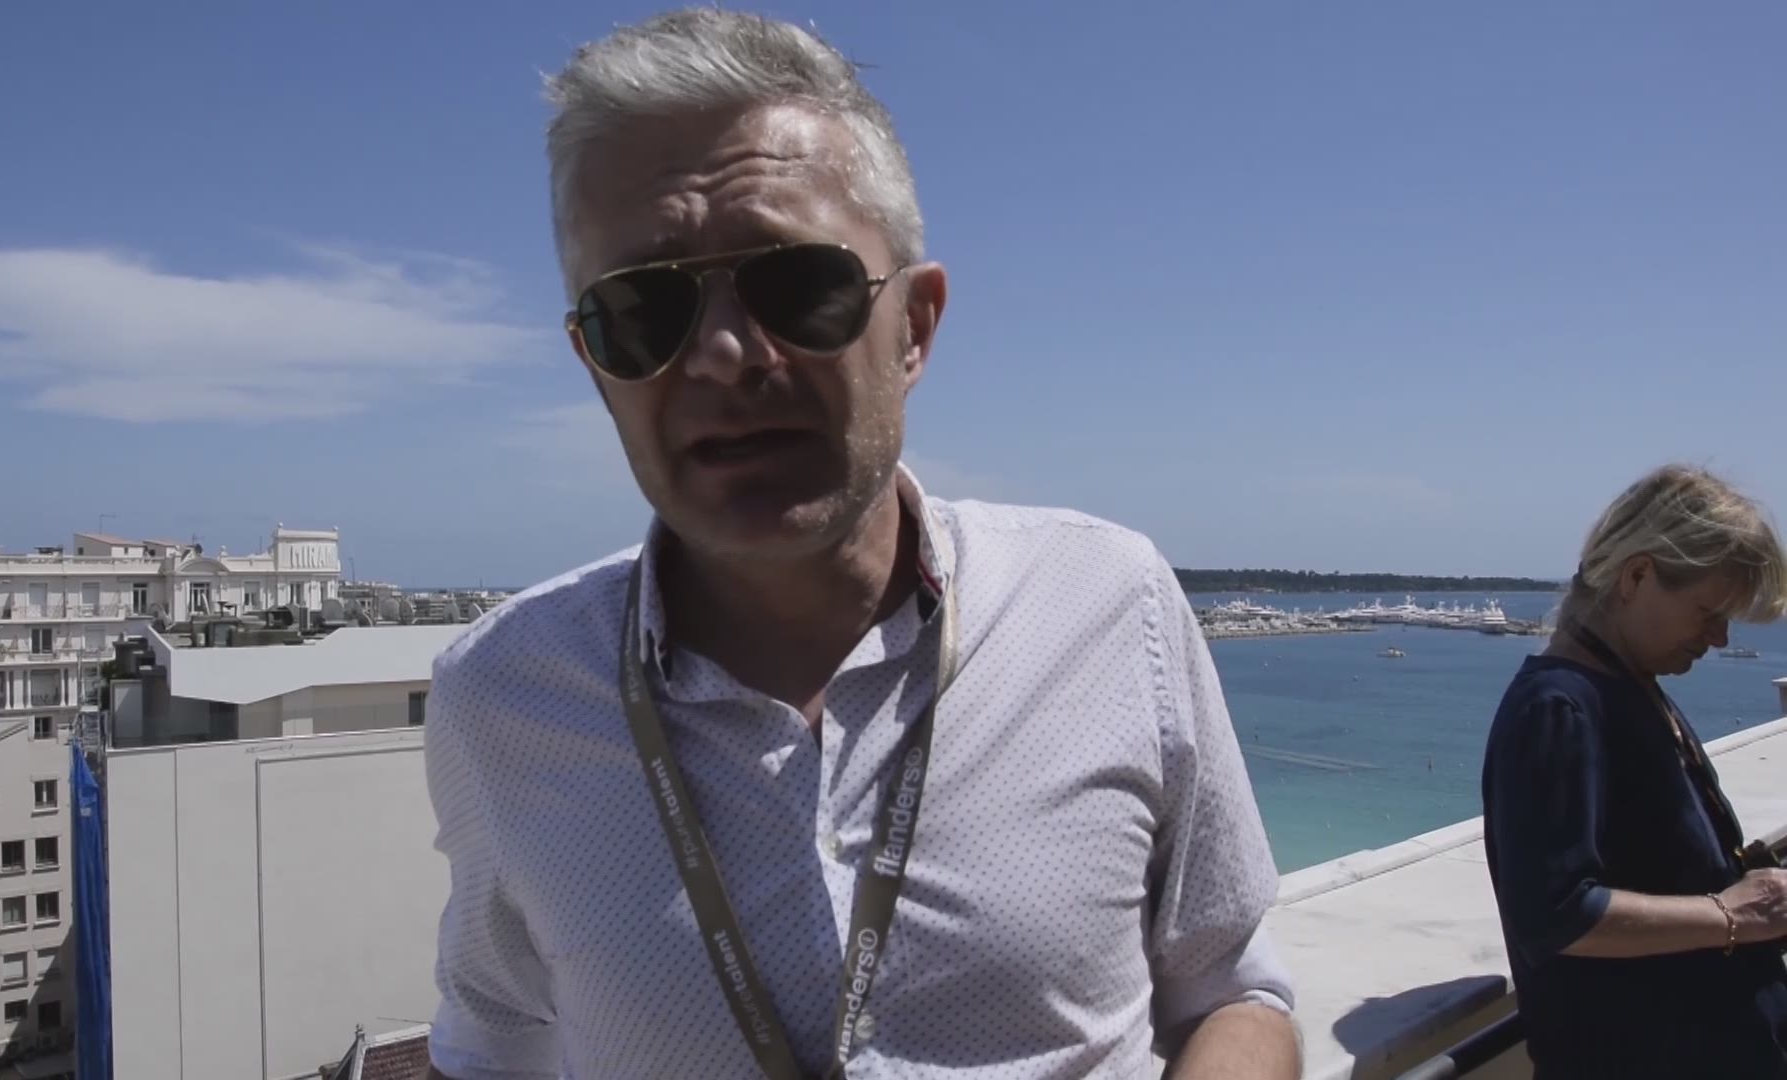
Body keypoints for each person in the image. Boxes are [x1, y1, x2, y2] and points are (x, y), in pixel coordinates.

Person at [423, 9, 1299, 1078]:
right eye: (643, 310)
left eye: (797, 285)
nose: (727, 354)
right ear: (596, 364)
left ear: (914, 327)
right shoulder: (501, 695)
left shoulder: (1111, 603)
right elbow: (494, 1048)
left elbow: (1236, 991)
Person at [1481, 464, 1787, 1078]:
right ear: (1637, 575)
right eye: (1708, 612)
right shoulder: (1557, 709)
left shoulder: (1626, 686)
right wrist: (1733, 915)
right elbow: (1555, 913)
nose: (1720, 638)